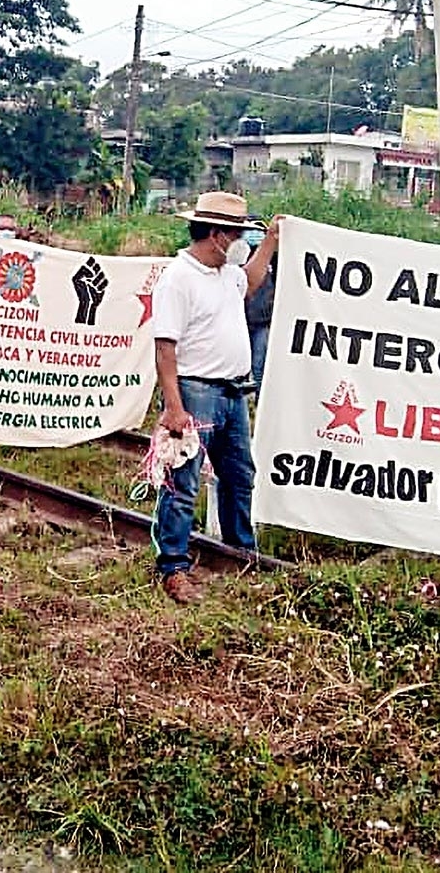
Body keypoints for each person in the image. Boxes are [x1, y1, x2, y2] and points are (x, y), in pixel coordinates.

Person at [150, 191, 279, 604]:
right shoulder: (179, 278)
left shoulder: (227, 272)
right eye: (237, 233)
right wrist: (174, 407)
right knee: (182, 483)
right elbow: (165, 348)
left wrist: (272, 240)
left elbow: (252, 280)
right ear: (216, 235)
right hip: (195, 390)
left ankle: (242, 555)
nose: (243, 241)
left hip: (232, 392)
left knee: (240, 477)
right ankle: (173, 566)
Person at [241, 224, 275, 392]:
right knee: (239, 368)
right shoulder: (236, 255)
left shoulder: (272, 258)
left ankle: (261, 405)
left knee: (260, 366)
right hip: (239, 322)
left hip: (262, 321)